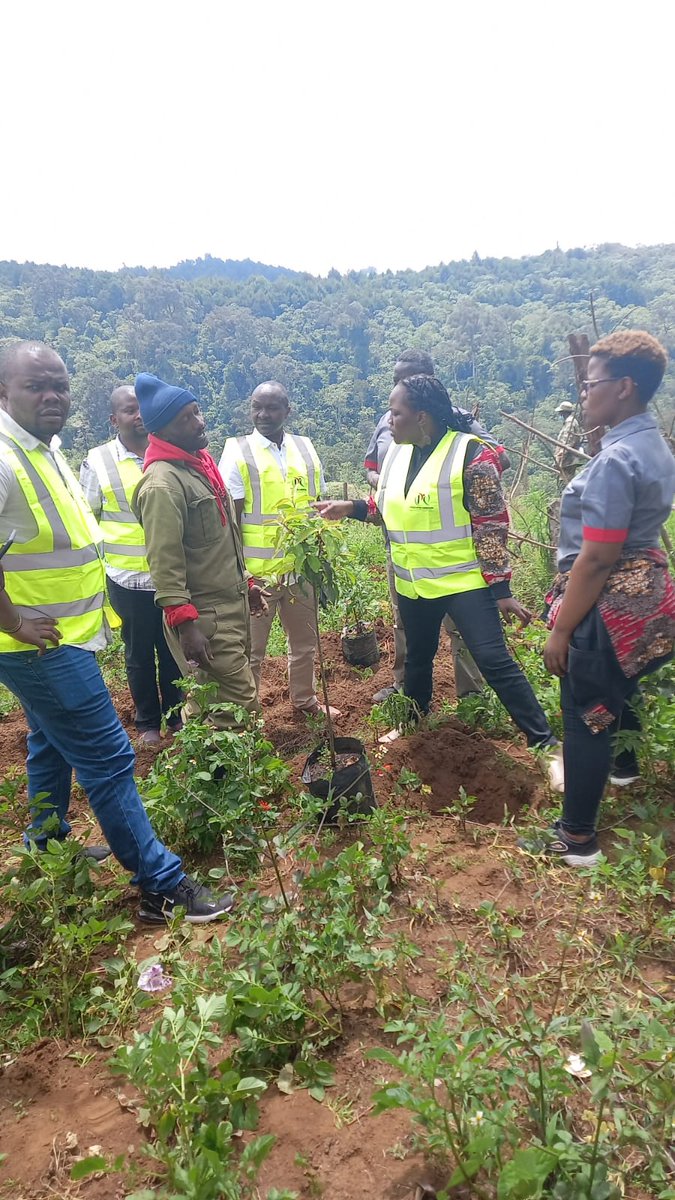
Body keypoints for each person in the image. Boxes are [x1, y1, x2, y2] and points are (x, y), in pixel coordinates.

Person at [0, 341, 232, 923]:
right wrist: (15, 623)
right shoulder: (5, 460)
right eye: (36, 386)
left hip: (67, 635)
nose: (52, 396)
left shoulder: (44, 452)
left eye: (60, 385)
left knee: (49, 743)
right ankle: (161, 884)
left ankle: (47, 843)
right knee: (108, 757)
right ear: (6, 392)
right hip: (40, 646)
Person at [316, 374, 562, 785]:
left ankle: (547, 746)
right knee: (418, 658)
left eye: (396, 413)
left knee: (495, 661)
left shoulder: (470, 455)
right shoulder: (396, 453)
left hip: (464, 584)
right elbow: (389, 507)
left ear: (423, 417)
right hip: (415, 584)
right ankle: (415, 724)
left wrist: (500, 588)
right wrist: (353, 507)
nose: (389, 420)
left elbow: (491, 523)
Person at [536, 331, 675, 865]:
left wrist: (563, 629)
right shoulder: (649, 444)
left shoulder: (617, 461)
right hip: (647, 595)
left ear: (623, 387)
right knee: (623, 686)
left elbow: (595, 559)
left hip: (609, 602)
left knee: (587, 710)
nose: (585, 392)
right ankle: (625, 769)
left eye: (590, 383)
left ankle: (577, 840)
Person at [363, 349, 510, 704]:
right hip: (400, 543)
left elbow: (496, 461)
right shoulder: (388, 421)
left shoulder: (458, 422)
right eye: (397, 379)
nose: (400, 385)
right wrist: (383, 482)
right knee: (407, 624)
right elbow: (369, 465)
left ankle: (471, 696)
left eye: (408, 379)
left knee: (461, 629)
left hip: (451, 555)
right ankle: (406, 689)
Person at [132, 373, 266, 730]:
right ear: (162, 430)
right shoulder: (163, 484)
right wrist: (186, 625)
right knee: (236, 702)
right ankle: (227, 780)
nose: (199, 422)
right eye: (185, 418)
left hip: (229, 604)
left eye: (197, 411)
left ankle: (202, 766)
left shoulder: (201, 466)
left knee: (210, 696)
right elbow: (164, 561)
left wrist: (246, 581)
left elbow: (221, 539)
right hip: (205, 616)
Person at [219, 380, 339, 717]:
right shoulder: (237, 451)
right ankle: (249, 715)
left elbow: (318, 507)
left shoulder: (305, 448)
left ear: (288, 411)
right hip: (258, 576)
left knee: (304, 645)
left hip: (301, 570)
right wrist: (242, 574)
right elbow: (231, 520)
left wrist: (320, 559)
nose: (263, 414)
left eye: (272, 407)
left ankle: (305, 702)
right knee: (251, 651)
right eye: (257, 406)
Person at [80, 385, 183, 745]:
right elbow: (88, 518)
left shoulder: (170, 452)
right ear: (114, 419)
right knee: (139, 653)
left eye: (142, 409)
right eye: (129, 410)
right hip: (128, 580)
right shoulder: (99, 461)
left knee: (174, 652)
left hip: (171, 577)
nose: (138, 415)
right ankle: (147, 724)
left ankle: (177, 717)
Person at [553, 400, 583, 484]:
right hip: (569, 457)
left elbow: (567, 439)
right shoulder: (570, 421)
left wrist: (562, 453)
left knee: (566, 481)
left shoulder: (570, 422)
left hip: (569, 458)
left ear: (564, 413)